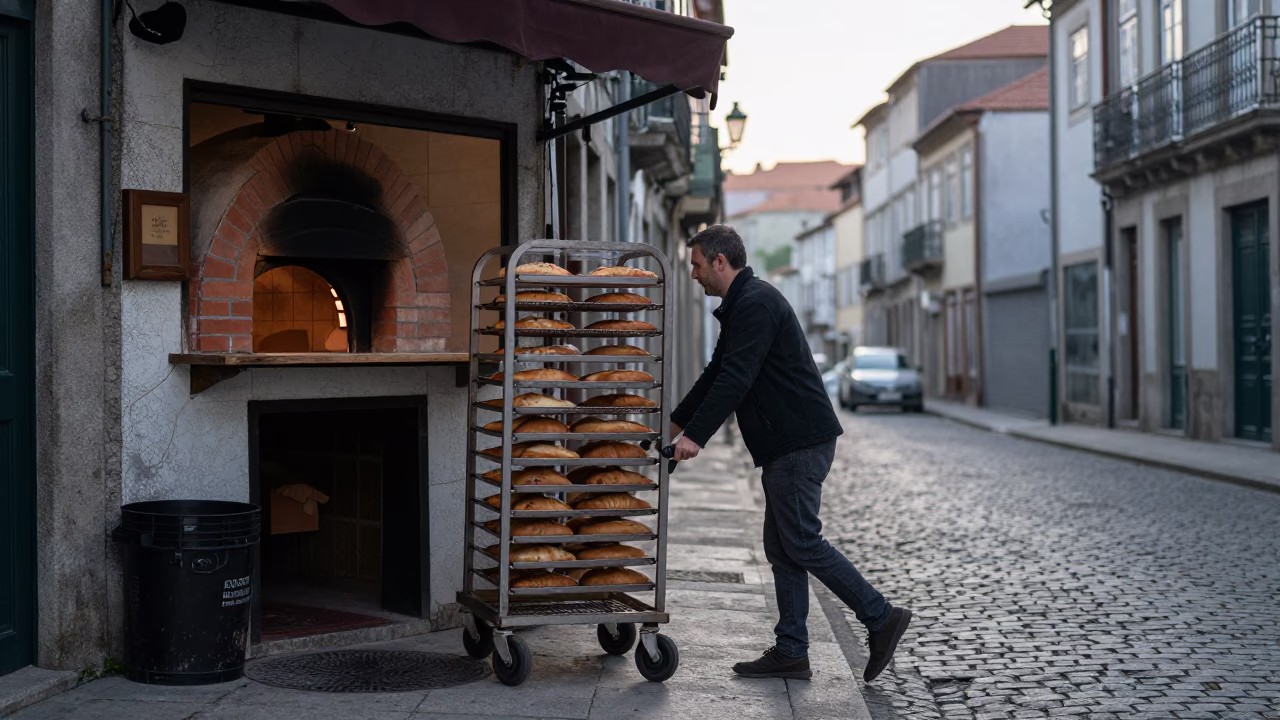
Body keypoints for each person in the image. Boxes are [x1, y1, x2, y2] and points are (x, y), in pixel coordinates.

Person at [668, 225, 911, 682]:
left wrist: (695, 438)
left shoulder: (756, 304)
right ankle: (792, 650)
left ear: (721, 262)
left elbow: (734, 381)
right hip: (787, 442)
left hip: (798, 442)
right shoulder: (743, 305)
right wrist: (676, 424)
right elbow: (716, 373)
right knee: (782, 547)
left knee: (800, 541)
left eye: (697, 265)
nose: (694, 275)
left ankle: (880, 616)